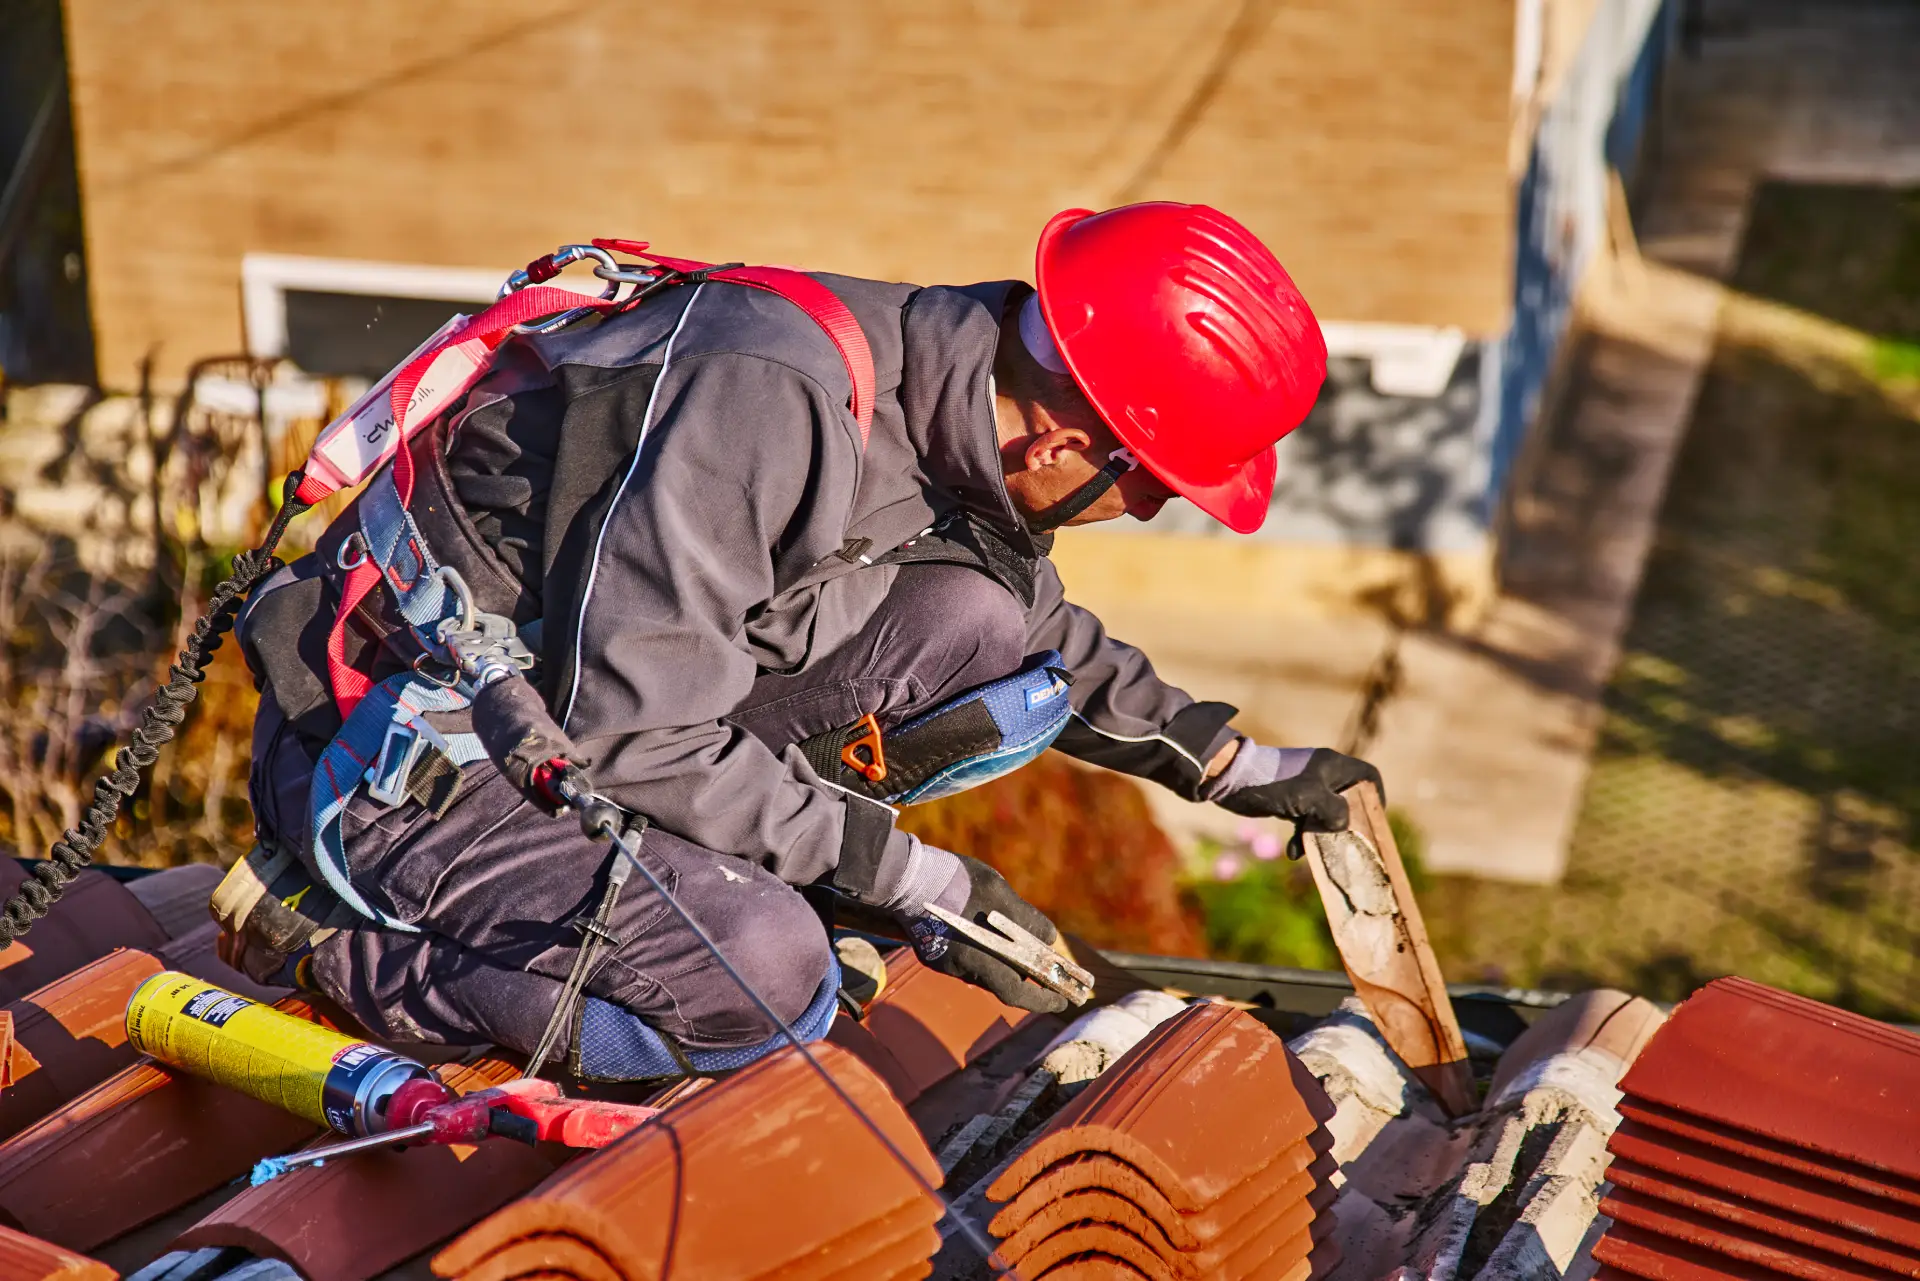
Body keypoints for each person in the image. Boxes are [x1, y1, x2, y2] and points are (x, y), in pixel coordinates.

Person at [230, 201, 1382, 1079]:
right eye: (1156, 490)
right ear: (1067, 445)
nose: (1149, 513)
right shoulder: (765, 397)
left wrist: (1236, 768)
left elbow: (1035, 633)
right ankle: (331, 948)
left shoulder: (945, 395)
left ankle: (733, 872)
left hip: (605, 706)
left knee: (978, 629)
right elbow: (634, 738)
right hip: (397, 751)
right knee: (764, 982)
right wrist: (912, 878)